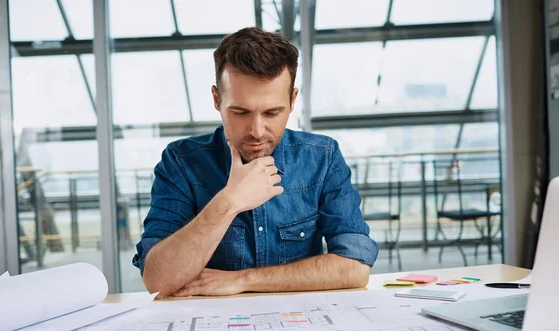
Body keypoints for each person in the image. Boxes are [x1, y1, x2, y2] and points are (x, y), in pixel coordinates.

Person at [133, 27, 379, 298]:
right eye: (240, 112)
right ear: (217, 99)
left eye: (272, 112)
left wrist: (243, 280)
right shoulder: (181, 162)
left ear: (292, 100)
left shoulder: (322, 157)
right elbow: (157, 280)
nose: (257, 131)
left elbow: (355, 268)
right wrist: (229, 201)